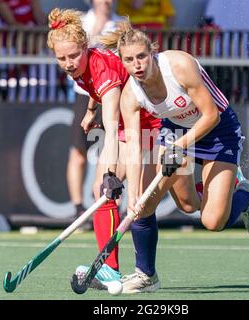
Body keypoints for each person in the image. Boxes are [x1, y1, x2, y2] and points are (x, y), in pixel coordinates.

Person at [99, 21, 249, 294]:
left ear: (152, 52)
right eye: (129, 60)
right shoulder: (130, 95)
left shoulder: (179, 66)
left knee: (212, 222)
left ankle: (245, 195)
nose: (137, 64)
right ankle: (147, 276)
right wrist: (135, 195)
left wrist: (180, 145)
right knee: (169, 204)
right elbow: (133, 147)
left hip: (218, 131)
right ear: (123, 62)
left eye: (142, 56)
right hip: (175, 132)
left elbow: (211, 115)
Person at [46, 8, 162, 289]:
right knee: (104, 190)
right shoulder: (80, 68)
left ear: (85, 48)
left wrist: (110, 170)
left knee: (189, 204)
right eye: (61, 58)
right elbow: (93, 89)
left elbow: (110, 129)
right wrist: (89, 110)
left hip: (155, 125)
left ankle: (237, 192)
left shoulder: (102, 69)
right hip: (129, 127)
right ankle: (110, 269)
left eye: (73, 55)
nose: (68, 63)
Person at [67, 0, 124, 231]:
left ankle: (113, 206)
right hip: (87, 94)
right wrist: (98, 26)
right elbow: (82, 58)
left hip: (113, 92)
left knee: (115, 147)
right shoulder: (83, 22)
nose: (107, 1)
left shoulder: (121, 24)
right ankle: (78, 208)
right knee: (78, 152)